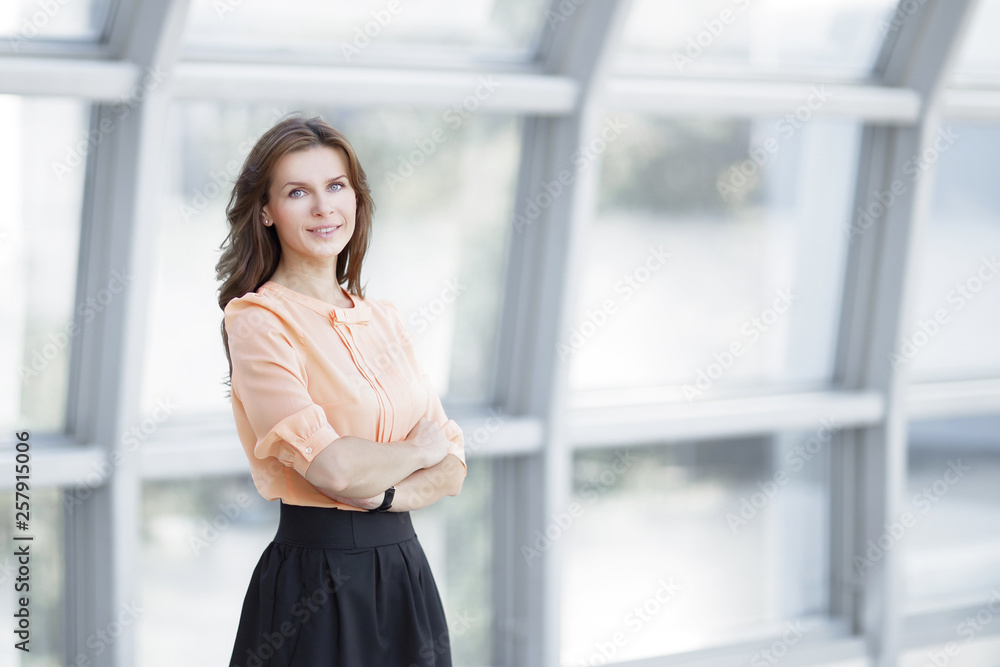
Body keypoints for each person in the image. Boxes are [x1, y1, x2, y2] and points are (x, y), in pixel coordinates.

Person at [215, 114, 467, 667]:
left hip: (405, 573)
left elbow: (452, 467)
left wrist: (383, 494)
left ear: (357, 198)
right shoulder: (258, 321)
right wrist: (415, 452)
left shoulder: (385, 318)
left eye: (336, 186)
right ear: (265, 211)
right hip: (317, 583)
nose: (324, 208)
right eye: (298, 192)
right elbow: (334, 470)